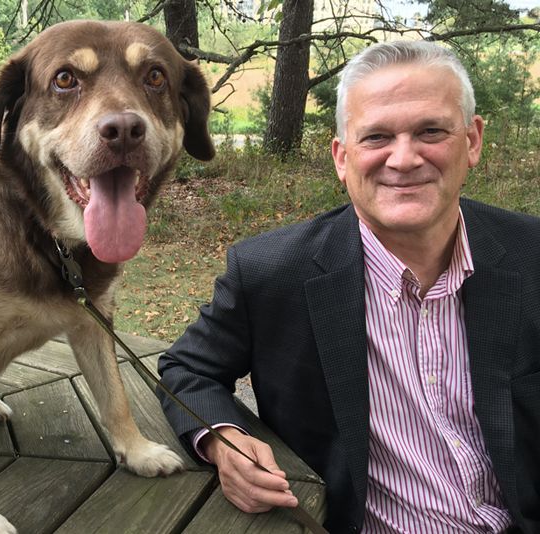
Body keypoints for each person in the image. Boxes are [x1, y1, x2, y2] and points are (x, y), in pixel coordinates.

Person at [157, 40, 540, 534]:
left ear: (472, 140)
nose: (403, 159)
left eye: (431, 131)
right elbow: (185, 369)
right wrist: (222, 440)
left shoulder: (531, 255)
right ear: (341, 157)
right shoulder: (270, 273)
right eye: (376, 137)